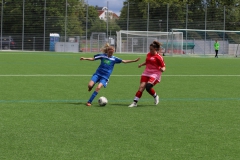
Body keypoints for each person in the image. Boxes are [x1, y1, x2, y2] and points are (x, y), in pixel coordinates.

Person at [128, 41, 166, 107]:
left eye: (151, 49)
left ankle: (156, 96)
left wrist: (163, 69)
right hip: (146, 73)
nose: (150, 50)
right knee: (141, 87)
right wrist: (141, 64)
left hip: (155, 74)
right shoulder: (148, 54)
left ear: (155, 49)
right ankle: (135, 102)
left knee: (148, 87)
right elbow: (147, 62)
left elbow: (163, 66)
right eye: (149, 49)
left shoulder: (159, 57)